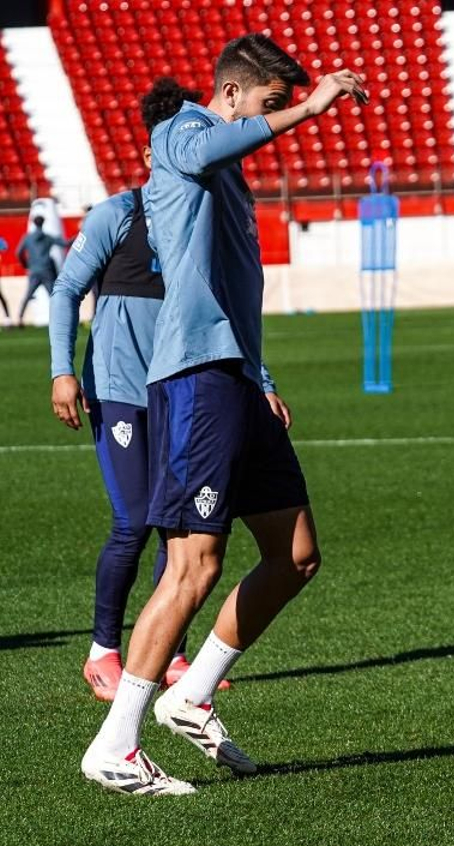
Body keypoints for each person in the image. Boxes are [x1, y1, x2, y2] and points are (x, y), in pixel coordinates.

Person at [80, 34, 367, 796]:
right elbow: (213, 143)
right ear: (233, 95)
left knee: (296, 553)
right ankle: (116, 743)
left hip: (236, 376)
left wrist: (261, 372)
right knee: (192, 565)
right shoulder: (181, 131)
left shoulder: (227, 175)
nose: (273, 122)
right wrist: (308, 109)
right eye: (267, 105)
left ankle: (193, 694)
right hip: (195, 378)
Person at [50, 78, 285, 702]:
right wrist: (62, 369)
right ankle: (104, 649)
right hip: (122, 391)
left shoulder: (198, 220)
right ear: (152, 153)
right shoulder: (116, 215)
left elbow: (227, 307)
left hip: (177, 389)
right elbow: (66, 290)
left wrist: (260, 380)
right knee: (131, 522)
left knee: (175, 529)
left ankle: (173, 654)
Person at [16, 214, 69, 326]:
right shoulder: (48, 238)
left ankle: (20, 319)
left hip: (34, 271)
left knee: (28, 294)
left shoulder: (27, 237)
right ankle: (62, 318)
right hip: (46, 271)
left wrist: (26, 264)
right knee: (54, 296)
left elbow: (18, 252)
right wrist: (79, 236)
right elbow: (65, 244)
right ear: (43, 223)